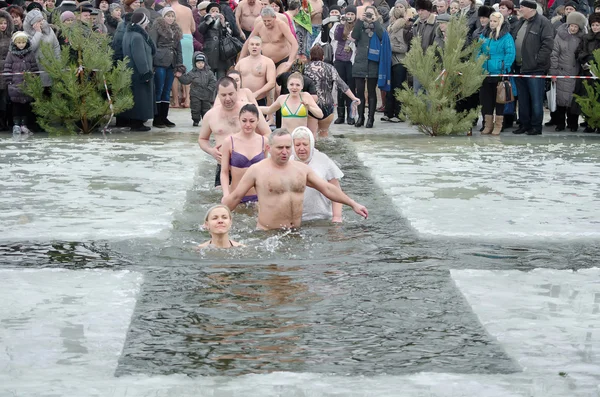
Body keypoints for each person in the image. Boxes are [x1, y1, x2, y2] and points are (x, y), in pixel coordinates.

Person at [222, 128, 368, 230]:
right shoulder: (257, 170)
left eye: (288, 147)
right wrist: (215, 217)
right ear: (269, 147)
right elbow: (235, 198)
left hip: (296, 233)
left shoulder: (300, 169)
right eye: (280, 148)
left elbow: (327, 188)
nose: (285, 152)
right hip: (268, 235)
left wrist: (352, 203)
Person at [198, 77, 270, 188]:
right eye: (223, 95)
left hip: (249, 164)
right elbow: (202, 139)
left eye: (231, 94)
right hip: (224, 166)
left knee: (253, 201)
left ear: (237, 91)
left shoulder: (250, 110)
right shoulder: (210, 115)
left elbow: (267, 134)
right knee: (222, 200)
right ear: (218, 95)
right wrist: (211, 151)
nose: (227, 98)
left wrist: (257, 150)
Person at [511, 0, 554, 136]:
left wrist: (537, 61)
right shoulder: (520, 22)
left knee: (536, 99)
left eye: (522, 7)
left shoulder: (543, 22)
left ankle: (536, 126)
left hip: (535, 68)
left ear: (531, 9)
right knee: (522, 100)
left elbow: (547, 44)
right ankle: (524, 124)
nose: (520, 9)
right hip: (519, 67)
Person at [303, 44, 360, 138]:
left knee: (312, 134)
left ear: (310, 56)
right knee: (324, 134)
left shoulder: (305, 68)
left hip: (312, 104)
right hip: (328, 105)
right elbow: (342, 84)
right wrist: (354, 98)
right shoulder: (330, 68)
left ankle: (312, 152)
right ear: (323, 57)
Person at [291, 127, 344, 222]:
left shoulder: (323, 160)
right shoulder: (288, 162)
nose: (301, 148)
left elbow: (336, 191)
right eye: (297, 145)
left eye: (305, 144)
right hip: (296, 220)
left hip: (322, 217)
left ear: (311, 144)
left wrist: (337, 217)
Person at [220, 104, 267, 203]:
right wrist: (226, 195)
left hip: (258, 198)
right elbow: (224, 172)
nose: (248, 125)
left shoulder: (264, 141)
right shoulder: (229, 141)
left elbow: (267, 171)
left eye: (252, 121)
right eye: (244, 121)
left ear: (258, 121)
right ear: (239, 120)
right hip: (235, 197)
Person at [477, 11, 515, 135]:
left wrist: (502, 67)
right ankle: (487, 124)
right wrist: (479, 64)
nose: (492, 23)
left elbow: (510, 54)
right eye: (491, 21)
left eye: (495, 21)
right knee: (486, 100)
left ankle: (498, 124)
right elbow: (477, 51)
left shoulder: (506, 37)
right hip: (485, 72)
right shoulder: (484, 35)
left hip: (499, 73)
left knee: (500, 100)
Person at [150, 6, 186, 128]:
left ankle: (164, 117)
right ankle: (157, 118)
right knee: (159, 89)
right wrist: (152, 62)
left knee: (167, 90)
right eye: (168, 16)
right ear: (163, 16)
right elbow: (152, 45)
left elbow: (179, 50)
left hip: (171, 63)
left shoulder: (176, 30)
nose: (170, 18)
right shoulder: (157, 27)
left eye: (172, 16)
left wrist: (179, 66)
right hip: (160, 62)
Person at [550, 11, 586, 132]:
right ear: (568, 25)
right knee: (561, 100)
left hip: (575, 73)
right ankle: (560, 124)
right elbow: (554, 54)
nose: (573, 28)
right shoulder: (560, 36)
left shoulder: (582, 39)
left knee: (573, 100)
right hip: (561, 72)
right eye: (572, 25)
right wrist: (553, 73)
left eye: (576, 26)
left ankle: (573, 123)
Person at [121, 12, 156, 131]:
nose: (147, 24)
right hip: (138, 72)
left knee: (136, 96)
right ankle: (137, 122)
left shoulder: (129, 33)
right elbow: (139, 57)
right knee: (140, 97)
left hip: (131, 71)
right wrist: (145, 72)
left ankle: (135, 121)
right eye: (146, 21)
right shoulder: (137, 36)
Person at [352, 5, 383, 128]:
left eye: (371, 14)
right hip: (360, 62)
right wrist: (359, 20)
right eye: (367, 14)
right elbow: (354, 36)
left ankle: (370, 118)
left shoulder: (378, 26)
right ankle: (360, 117)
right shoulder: (360, 26)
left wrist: (375, 21)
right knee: (359, 92)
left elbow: (382, 36)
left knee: (371, 92)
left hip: (372, 63)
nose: (369, 16)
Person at [4, 31, 38, 135]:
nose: (21, 45)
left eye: (23, 42)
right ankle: (16, 125)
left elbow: (34, 68)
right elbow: (7, 68)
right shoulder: (11, 54)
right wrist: (9, 82)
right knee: (16, 106)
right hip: (15, 86)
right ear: (15, 43)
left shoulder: (30, 54)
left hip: (28, 86)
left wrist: (34, 79)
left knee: (26, 106)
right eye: (19, 43)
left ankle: (24, 124)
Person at [383, 0, 412, 123]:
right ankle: (388, 112)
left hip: (399, 61)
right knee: (389, 87)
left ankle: (399, 114)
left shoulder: (403, 27)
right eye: (396, 6)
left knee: (398, 87)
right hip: (390, 61)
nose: (398, 8)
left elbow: (403, 48)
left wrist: (388, 46)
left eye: (401, 7)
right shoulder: (391, 26)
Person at [234, 36, 276, 105]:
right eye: (252, 44)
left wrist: (256, 93)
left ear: (261, 47)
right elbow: (233, 80)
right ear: (248, 47)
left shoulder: (268, 62)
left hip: (260, 99)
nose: (254, 47)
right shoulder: (241, 63)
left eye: (257, 44)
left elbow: (271, 83)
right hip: (243, 99)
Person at [332, 5, 357, 125]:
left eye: (352, 14)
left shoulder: (358, 27)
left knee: (351, 88)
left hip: (351, 60)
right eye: (348, 14)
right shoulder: (340, 26)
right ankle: (340, 115)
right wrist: (342, 24)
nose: (350, 16)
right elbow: (337, 37)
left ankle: (351, 116)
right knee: (340, 87)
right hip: (340, 59)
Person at [576, 13, 600, 133]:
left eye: (598, 25)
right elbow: (579, 51)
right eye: (593, 25)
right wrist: (584, 60)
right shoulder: (586, 38)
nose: (595, 27)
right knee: (588, 96)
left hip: (598, 71)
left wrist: (594, 60)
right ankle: (590, 123)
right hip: (587, 71)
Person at [178, 51, 216, 126]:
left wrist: (209, 89)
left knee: (206, 108)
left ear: (205, 63)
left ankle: (206, 121)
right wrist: (180, 76)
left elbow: (213, 81)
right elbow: (186, 80)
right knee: (195, 108)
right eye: (198, 63)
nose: (200, 64)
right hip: (195, 94)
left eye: (202, 63)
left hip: (206, 94)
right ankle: (195, 120)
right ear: (195, 63)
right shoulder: (192, 73)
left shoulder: (209, 73)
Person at [198, 2, 234, 78]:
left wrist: (223, 23)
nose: (215, 12)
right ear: (209, 12)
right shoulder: (205, 20)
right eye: (212, 10)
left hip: (221, 52)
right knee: (209, 75)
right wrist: (210, 19)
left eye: (217, 11)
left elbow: (228, 34)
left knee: (221, 75)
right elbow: (201, 30)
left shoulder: (223, 21)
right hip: (209, 51)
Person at [0, 9, 14, 131]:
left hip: (7, 72)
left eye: (5, 23)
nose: (3, 25)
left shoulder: (11, 37)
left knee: (6, 99)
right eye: (0, 23)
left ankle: (5, 123)